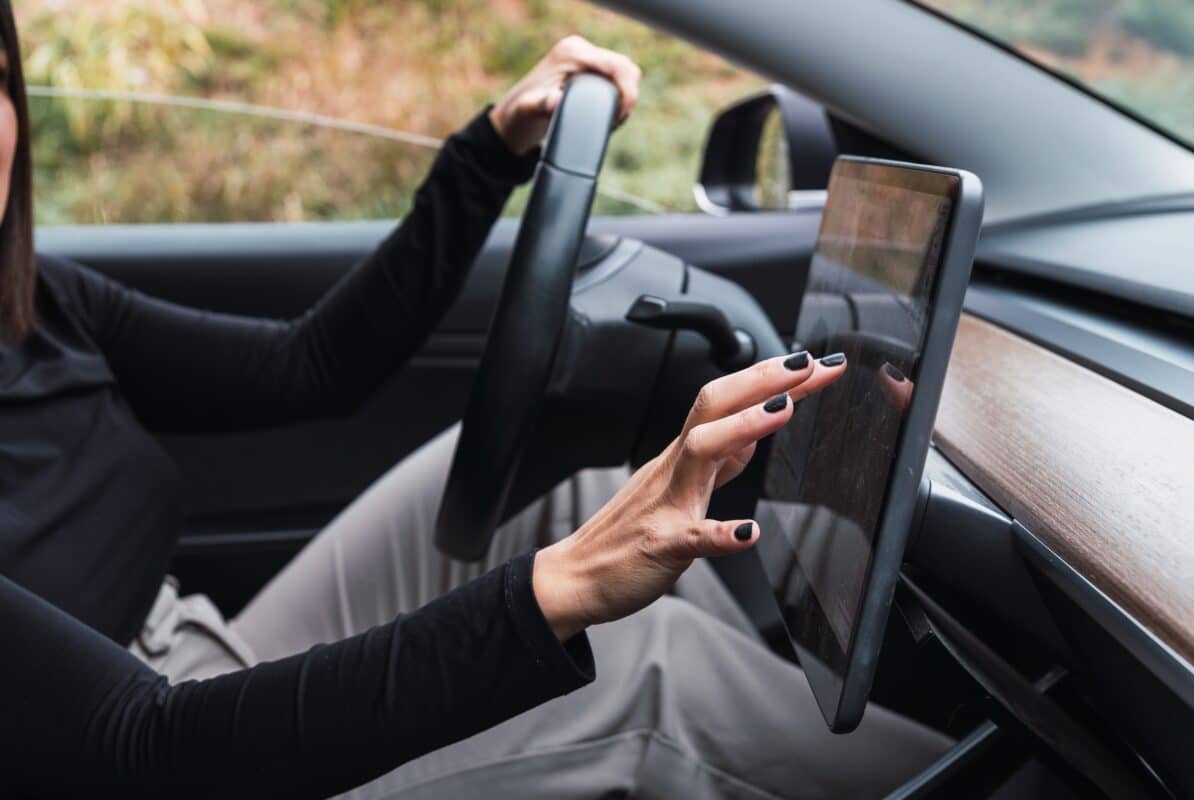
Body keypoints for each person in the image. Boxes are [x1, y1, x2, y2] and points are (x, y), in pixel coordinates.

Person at [0, 4, 950, 796]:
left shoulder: (35, 306)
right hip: (154, 756)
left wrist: (491, 150)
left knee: (567, 498)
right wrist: (557, 592)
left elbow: (311, 367)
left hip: (185, 649)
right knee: (641, 670)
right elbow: (140, 749)